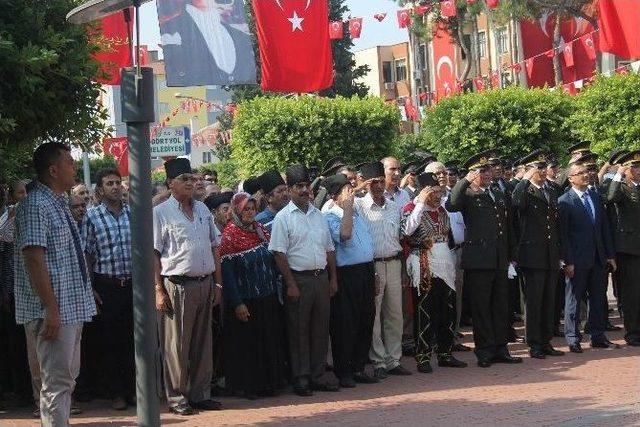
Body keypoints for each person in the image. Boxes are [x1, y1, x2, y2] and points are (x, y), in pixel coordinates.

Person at [14, 142, 96, 426]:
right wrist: (50, 309)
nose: (74, 167)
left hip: (70, 307)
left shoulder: (57, 202)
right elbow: (33, 260)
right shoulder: (36, 205)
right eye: (70, 162)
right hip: (54, 311)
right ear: (53, 170)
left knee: (66, 381)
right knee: (56, 384)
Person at [153, 158, 222, 415]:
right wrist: (158, 290)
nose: (191, 183)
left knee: (203, 343)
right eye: (185, 180)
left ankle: (200, 394)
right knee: (176, 346)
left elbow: (215, 247)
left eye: (193, 179)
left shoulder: (203, 210)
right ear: (171, 184)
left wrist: (218, 284)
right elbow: (153, 255)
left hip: (204, 282)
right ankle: (177, 398)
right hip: (177, 286)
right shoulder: (160, 213)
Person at [446, 150, 522, 368]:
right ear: (472, 173)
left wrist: (511, 255)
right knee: (481, 307)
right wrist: (464, 180)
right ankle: (485, 350)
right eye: (482, 171)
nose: (487, 174)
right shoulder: (467, 194)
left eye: (488, 170)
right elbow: (452, 204)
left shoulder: (497, 193)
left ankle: (501, 348)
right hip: (479, 260)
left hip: (499, 258)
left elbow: (506, 227)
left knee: (500, 305)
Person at [268, 164, 339, 397]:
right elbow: (279, 253)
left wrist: (333, 279)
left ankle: (318, 375)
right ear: (289, 190)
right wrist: (290, 284)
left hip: (321, 278)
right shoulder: (283, 218)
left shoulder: (318, 215)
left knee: (320, 329)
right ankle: (301, 377)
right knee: (299, 330)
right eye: (299, 186)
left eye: (307, 185)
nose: (305, 190)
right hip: (299, 279)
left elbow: (329, 249)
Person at [219, 192, 285, 399]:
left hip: (267, 296)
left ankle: (270, 383)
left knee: (269, 340)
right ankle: (250, 386)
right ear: (237, 210)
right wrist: (237, 303)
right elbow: (228, 275)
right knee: (248, 344)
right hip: (246, 300)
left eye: (252, 209)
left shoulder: (261, 230)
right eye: (245, 209)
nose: (249, 213)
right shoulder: (229, 236)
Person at [402, 173, 467, 373]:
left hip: (444, 263)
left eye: (439, 191)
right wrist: (420, 204)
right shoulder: (411, 209)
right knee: (424, 311)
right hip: (423, 263)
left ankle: (445, 352)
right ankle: (422, 356)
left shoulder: (442, 211)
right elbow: (406, 231)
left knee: (446, 310)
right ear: (423, 192)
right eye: (433, 192)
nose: (438, 195)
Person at [81, 168, 134, 410]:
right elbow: (87, 254)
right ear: (100, 190)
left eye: (117, 182)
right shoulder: (91, 216)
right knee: (111, 341)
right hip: (107, 286)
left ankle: (134, 390)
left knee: (132, 340)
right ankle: (116, 393)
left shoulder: (133, 213)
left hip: (133, 285)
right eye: (109, 183)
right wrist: (90, 287)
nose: (115, 186)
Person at [354, 162, 412, 379]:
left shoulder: (394, 205)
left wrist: (405, 269)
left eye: (381, 181)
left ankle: (393, 359)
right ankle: (378, 360)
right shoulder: (359, 205)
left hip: (395, 262)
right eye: (374, 182)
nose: (378, 186)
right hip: (373, 265)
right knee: (375, 315)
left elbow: (402, 238)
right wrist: (359, 188)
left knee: (395, 314)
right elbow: (336, 206)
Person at [322, 174, 378, 388]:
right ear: (336, 196)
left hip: (365, 270)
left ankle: (358, 367)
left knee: (366, 319)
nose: (352, 193)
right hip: (346, 274)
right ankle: (343, 370)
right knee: (346, 323)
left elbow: (365, 244)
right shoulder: (331, 216)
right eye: (347, 190)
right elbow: (344, 236)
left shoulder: (355, 213)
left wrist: (373, 273)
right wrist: (346, 208)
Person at [558, 159, 617, 353]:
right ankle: (573, 337)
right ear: (571, 178)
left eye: (587, 172)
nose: (586, 175)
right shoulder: (565, 201)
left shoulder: (595, 196)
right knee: (574, 298)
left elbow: (604, 228)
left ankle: (597, 335)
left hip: (598, 258)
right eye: (581, 173)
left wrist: (609, 255)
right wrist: (567, 261)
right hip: (577, 259)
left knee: (598, 298)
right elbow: (563, 235)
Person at [511, 151, 564, 359]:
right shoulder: (525, 190)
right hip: (532, 254)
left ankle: (546, 340)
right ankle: (534, 343)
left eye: (543, 168)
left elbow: (556, 223)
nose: (542, 172)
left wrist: (560, 253)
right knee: (533, 302)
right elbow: (516, 203)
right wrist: (524, 179)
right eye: (537, 168)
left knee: (548, 300)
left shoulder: (551, 190)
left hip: (550, 253)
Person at [0, 180, 32, 407]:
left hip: (31, 291)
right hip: (13, 291)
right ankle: (21, 390)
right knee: (17, 344)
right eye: (20, 193)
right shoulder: (7, 221)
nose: (25, 197)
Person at [606, 150, 640, 346]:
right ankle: (633, 333)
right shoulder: (621, 188)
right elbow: (610, 197)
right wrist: (618, 174)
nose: (638, 170)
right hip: (629, 249)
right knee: (631, 293)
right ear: (626, 169)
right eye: (634, 167)